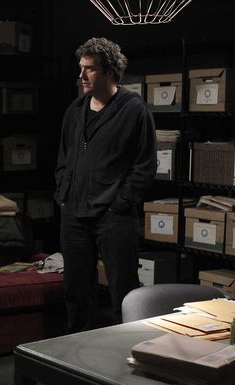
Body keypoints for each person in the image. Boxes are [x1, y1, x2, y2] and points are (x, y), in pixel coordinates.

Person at [54, 37, 157, 333]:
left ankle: (125, 348)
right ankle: (76, 348)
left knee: (122, 291)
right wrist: (64, 193)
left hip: (113, 216)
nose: (82, 75)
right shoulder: (75, 110)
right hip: (74, 213)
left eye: (90, 69)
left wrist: (120, 204)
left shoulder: (133, 110)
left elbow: (145, 165)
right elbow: (64, 157)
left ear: (110, 72)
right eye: (81, 68)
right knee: (76, 291)